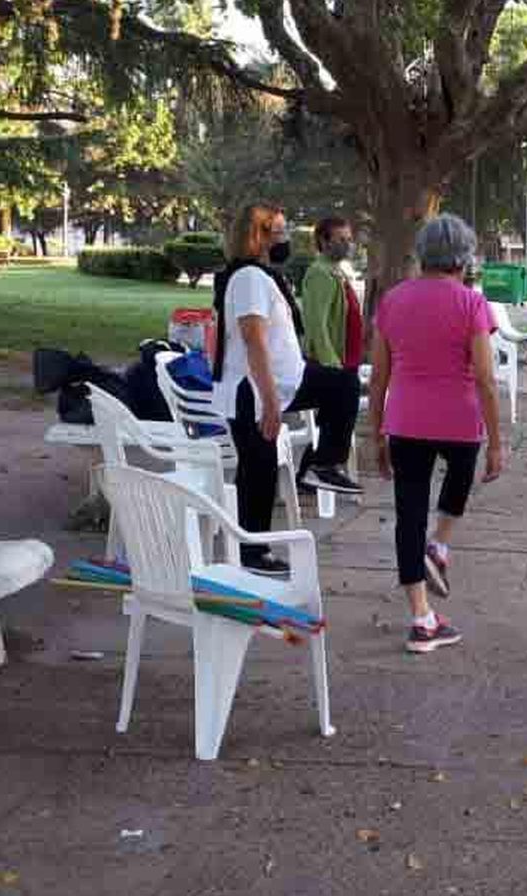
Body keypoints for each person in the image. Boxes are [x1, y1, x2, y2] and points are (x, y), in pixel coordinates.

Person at [368, 214, 504, 653]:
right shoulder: (471, 304)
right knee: (458, 483)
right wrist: (497, 443)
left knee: (408, 513)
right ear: (464, 258)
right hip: (460, 421)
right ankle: (440, 545)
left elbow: (378, 379)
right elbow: (485, 378)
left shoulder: (392, 301)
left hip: (406, 421)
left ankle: (421, 618)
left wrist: (376, 437)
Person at [214, 204, 363, 574]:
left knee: (341, 384)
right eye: (279, 231)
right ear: (258, 236)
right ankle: (253, 554)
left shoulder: (259, 275)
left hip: (284, 381)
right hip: (256, 389)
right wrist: (268, 402)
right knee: (258, 469)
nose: (286, 238)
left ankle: (321, 464)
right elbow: (253, 341)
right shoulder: (248, 278)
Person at [301, 216, 365, 371]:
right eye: (342, 240)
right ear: (324, 241)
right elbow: (317, 324)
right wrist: (332, 364)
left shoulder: (337, 271)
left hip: (346, 364)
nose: (348, 245)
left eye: (349, 239)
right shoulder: (320, 273)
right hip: (332, 368)